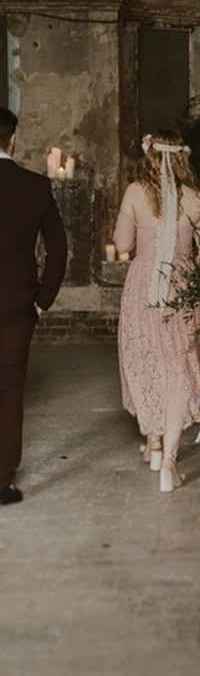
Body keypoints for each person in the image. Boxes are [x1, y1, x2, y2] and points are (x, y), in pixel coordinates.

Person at [113, 130, 200, 493]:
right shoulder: (195, 199)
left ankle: (153, 443)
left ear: (149, 155)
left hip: (143, 285)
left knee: (146, 358)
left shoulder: (135, 193)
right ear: (182, 158)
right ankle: (168, 458)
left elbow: (123, 244)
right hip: (182, 288)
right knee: (178, 365)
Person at [0, 106, 67, 505]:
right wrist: (43, 299)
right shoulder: (35, 186)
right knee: (9, 390)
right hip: (17, 305)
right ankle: (2, 481)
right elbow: (58, 250)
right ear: (13, 140)